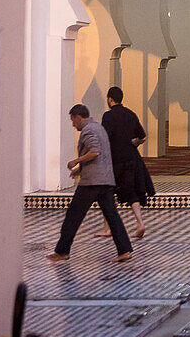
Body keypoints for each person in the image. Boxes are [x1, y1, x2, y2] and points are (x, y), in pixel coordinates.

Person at [47, 104, 133, 263]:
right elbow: (99, 155)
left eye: (73, 120)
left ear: (78, 117)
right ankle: (124, 250)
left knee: (73, 216)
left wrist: (75, 161)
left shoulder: (88, 130)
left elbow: (95, 151)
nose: (73, 124)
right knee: (112, 216)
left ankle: (62, 251)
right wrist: (79, 170)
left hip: (92, 182)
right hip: (106, 180)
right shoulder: (99, 128)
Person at [97, 86, 154, 239]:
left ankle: (107, 228)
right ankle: (140, 223)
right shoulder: (130, 114)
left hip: (114, 160)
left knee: (107, 192)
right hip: (130, 159)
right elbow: (142, 136)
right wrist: (133, 143)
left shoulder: (108, 116)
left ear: (110, 99)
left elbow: (104, 138)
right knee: (131, 192)